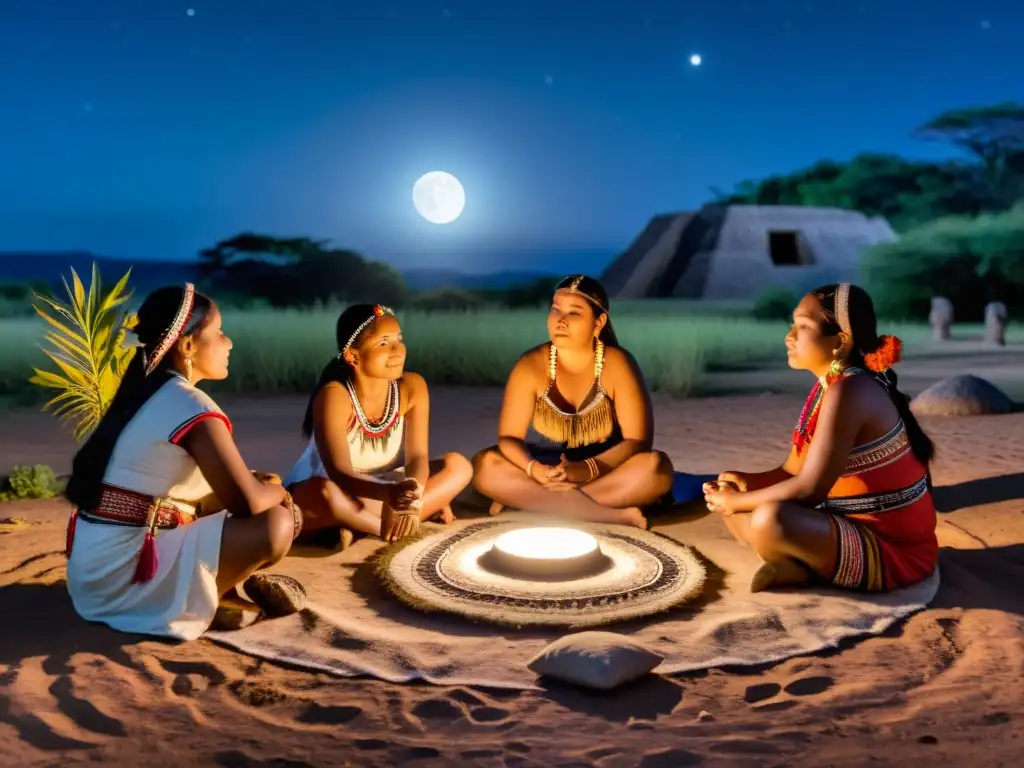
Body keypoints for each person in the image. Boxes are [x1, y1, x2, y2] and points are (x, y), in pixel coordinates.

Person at [65, 284, 306, 641]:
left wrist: (254, 484)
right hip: (129, 584)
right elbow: (247, 502)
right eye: (219, 333)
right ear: (188, 345)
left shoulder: (143, 393)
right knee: (278, 522)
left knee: (243, 497)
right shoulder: (190, 404)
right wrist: (278, 490)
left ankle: (213, 591)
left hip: (92, 584)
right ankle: (201, 600)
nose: (229, 343)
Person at [703, 283, 938, 593]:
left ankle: (796, 565)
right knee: (732, 485)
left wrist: (737, 502)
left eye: (802, 326)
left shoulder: (851, 390)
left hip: (892, 551)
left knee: (770, 518)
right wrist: (739, 489)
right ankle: (793, 562)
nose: (789, 336)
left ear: (840, 341)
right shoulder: (827, 387)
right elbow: (791, 472)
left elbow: (809, 489)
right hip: (841, 520)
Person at [472, 275, 675, 529]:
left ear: (598, 322)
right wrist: (535, 470)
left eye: (574, 313)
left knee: (656, 468)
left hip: (604, 471)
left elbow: (638, 442)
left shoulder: (618, 364)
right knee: (485, 465)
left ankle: (530, 503)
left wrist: (585, 469)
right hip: (547, 472)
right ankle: (605, 514)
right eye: (555, 310)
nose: (561, 320)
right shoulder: (531, 364)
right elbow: (508, 438)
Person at [284, 304, 473, 543]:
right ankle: (384, 526)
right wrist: (391, 496)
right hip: (333, 489)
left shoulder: (412, 388)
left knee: (458, 466)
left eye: (399, 339)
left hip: (379, 488)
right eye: (384, 343)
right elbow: (339, 474)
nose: (398, 350)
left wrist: (411, 497)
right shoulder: (335, 395)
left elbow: (417, 459)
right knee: (324, 495)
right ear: (353, 355)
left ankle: (355, 526)